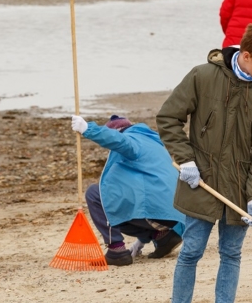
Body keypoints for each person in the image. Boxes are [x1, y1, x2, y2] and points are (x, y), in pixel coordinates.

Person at [157, 23, 252, 303]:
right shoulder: (202, 76)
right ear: (247, 55)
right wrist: (185, 159)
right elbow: (169, 118)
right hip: (201, 183)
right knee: (191, 252)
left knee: (231, 254)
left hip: (239, 189)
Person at [70, 114, 186, 266]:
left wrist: (88, 129)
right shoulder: (153, 143)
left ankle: (116, 251)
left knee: (96, 193)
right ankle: (162, 236)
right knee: (123, 197)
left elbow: (122, 142)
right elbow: (142, 188)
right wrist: (141, 242)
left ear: (117, 130)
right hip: (175, 215)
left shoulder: (132, 138)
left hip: (160, 211)